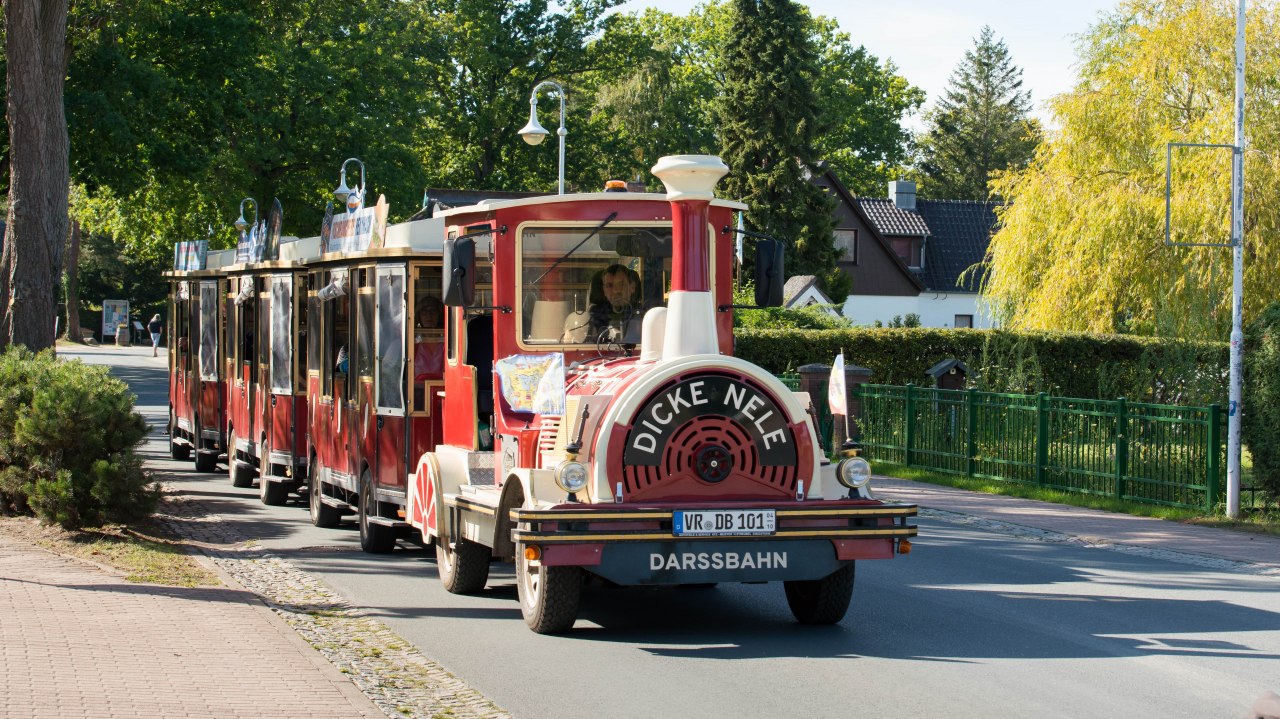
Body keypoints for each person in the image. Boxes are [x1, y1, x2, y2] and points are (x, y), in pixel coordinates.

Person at [587, 264, 642, 341]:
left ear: (632, 287)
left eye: (621, 284)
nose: (616, 291)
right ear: (604, 290)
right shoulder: (595, 317)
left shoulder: (644, 316)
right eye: (609, 286)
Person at [414, 295, 445, 380]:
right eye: (424, 312)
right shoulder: (413, 346)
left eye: (433, 311)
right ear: (419, 316)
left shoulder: (448, 345)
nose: (429, 315)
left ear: (440, 315)